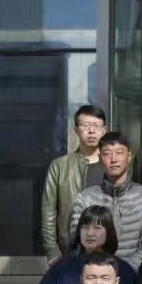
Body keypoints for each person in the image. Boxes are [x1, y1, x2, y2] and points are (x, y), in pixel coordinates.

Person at [69, 132, 142, 268]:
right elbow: (76, 243)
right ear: (100, 158)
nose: (113, 159)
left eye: (119, 153)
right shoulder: (85, 198)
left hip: (135, 275)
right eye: (107, 153)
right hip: (94, 274)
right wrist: (99, 271)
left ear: (129, 157)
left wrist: (126, 271)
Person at [36, 207, 136, 284]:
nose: (89, 233)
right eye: (85, 227)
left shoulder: (124, 271)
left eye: (97, 228)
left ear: (108, 232)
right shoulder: (63, 268)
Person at [41, 105, 107, 262]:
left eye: (96, 125)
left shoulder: (114, 165)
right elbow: (48, 212)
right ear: (76, 130)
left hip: (109, 250)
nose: (91, 131)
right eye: (85, 125)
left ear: (104, 130)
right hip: (72, 249)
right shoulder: (60, 166)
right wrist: (52, 251)